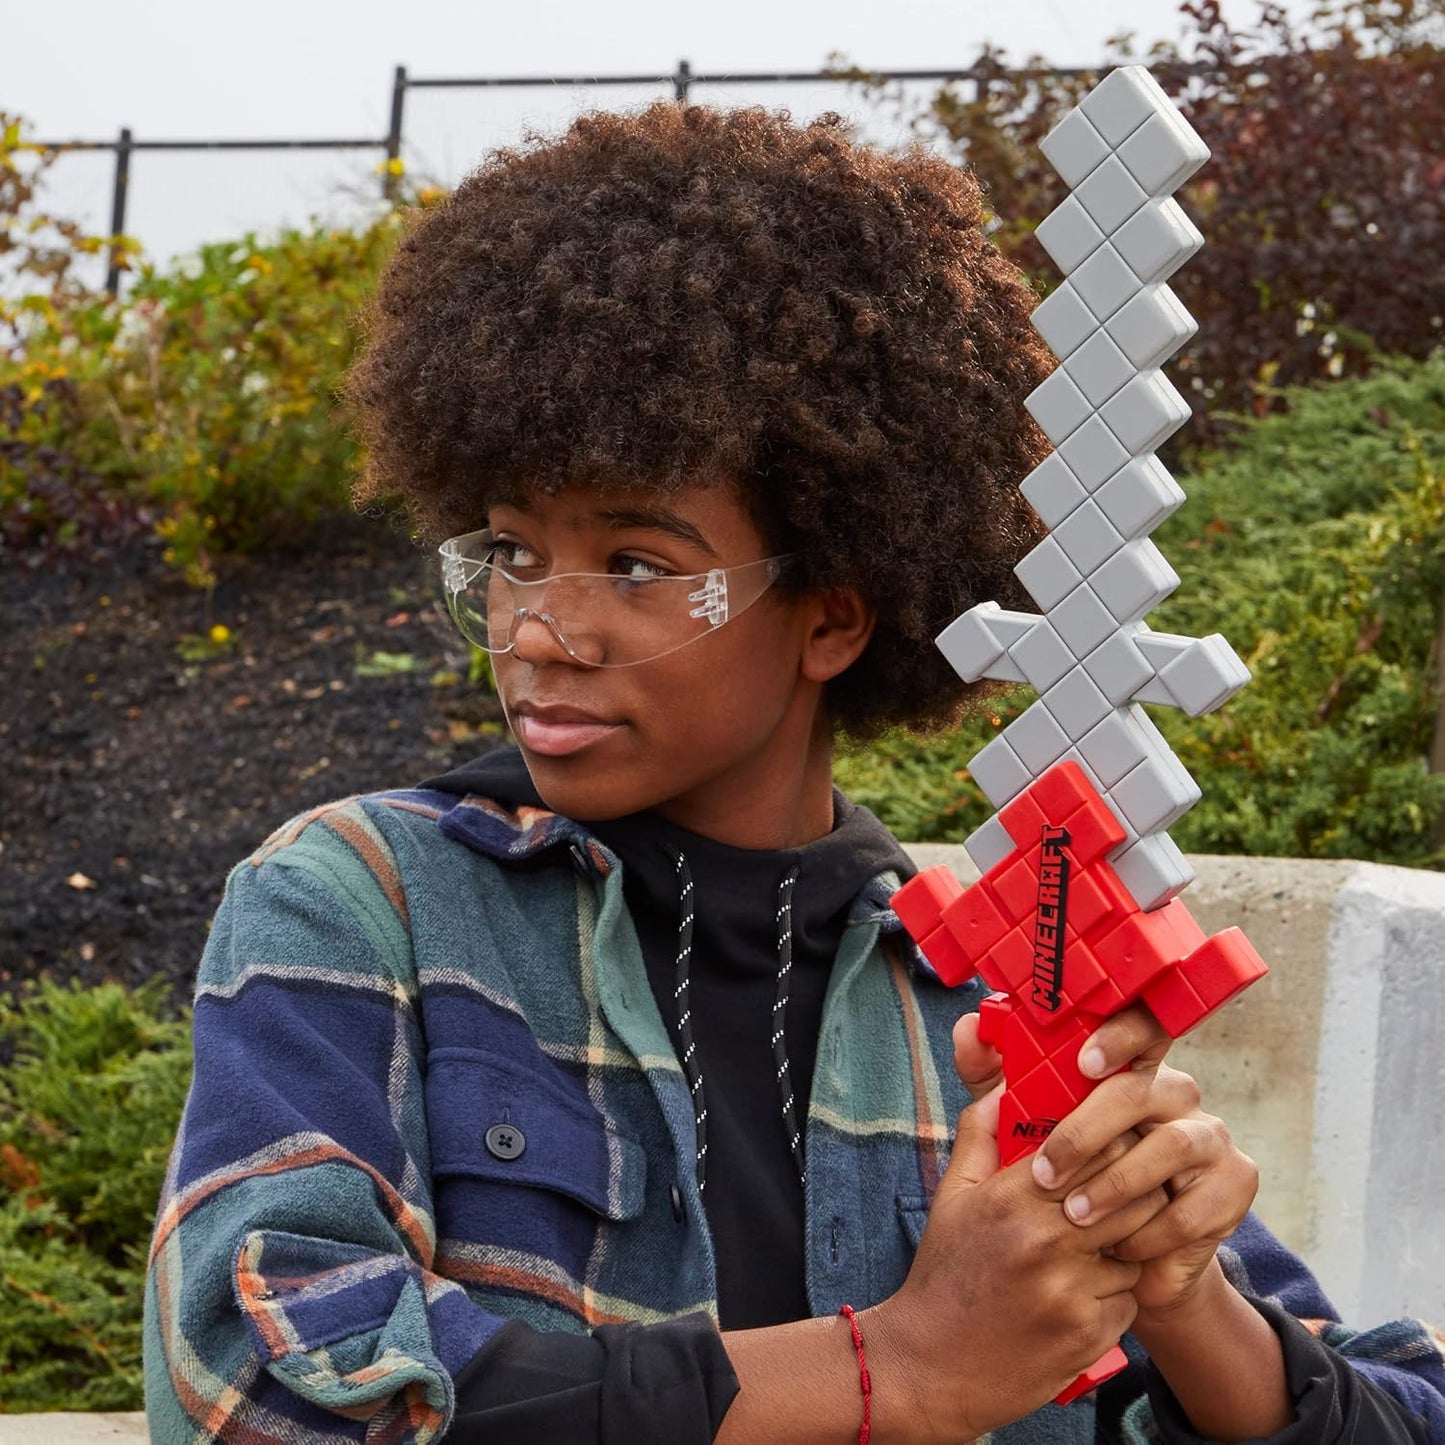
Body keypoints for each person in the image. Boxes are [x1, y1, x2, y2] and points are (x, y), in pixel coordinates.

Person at [142, 102, 1445, 1443]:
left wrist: (1179, 1297)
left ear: (831, 613)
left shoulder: (986, 997)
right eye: (514, 551)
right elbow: (257, 1379)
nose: (538, 626)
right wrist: (897, 1365)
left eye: (635, 565)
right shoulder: (366, 907)